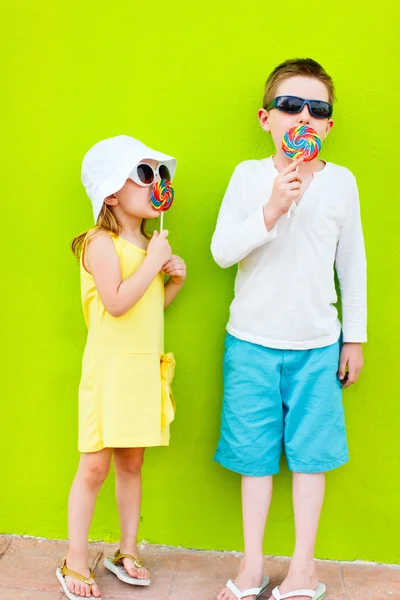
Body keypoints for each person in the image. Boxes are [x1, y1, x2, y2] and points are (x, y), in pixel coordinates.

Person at [211, 59, 366, 600]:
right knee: (253, 458)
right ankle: (251, 565)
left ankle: (304, 569)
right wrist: (272, 208)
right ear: (266, 118)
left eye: (317, 110)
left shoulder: (342, 183)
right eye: (291, 106)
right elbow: (222, 251)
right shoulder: (247, 176)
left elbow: (354, 266)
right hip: (251, 340)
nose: (303, 115)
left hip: (317, 345)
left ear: (326, 126)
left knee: (311, 455)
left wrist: (355, 337)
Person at [56, 135, 186, 600]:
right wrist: (152, 265)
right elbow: (114, 304)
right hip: (109, 373)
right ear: (112, 192)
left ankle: (126, 550)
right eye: (145, 173)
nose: (158, 182)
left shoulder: (149, 243)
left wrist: (171, 283)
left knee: (133, 463)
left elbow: (147, 309)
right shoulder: (100, 243)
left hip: (141, 372)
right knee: (94, 468)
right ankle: (74, 558)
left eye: (161, 174)